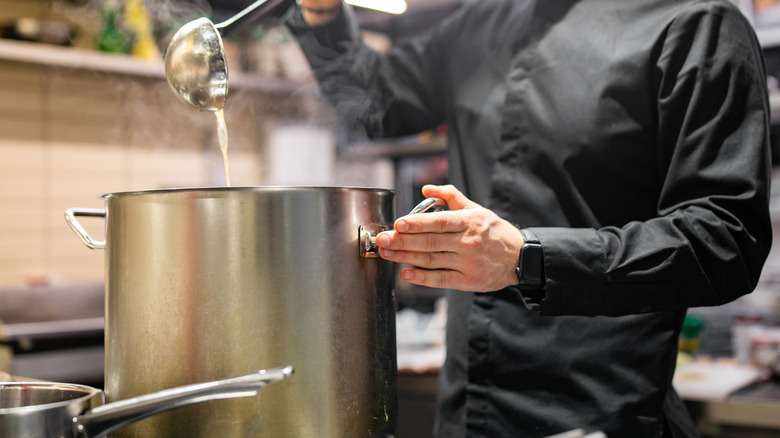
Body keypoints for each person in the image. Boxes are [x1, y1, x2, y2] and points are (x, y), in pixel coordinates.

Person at [285, 0, 773, 436]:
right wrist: (322, 12)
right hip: (466, 411)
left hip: (602, 414)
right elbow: (376, 102)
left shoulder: (696, 22)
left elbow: (725, 238)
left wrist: (529, 257)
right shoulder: (480, 22)